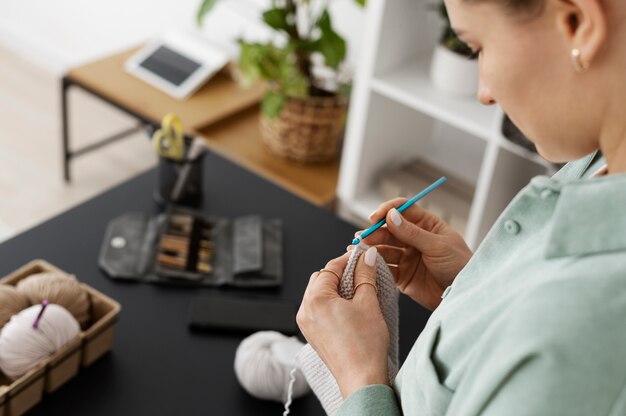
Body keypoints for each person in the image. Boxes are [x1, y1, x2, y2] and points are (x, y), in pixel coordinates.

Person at [296, 0, 626, 414]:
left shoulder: (587, 329)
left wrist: (359, 377)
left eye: (477, 48)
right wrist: (473, 289)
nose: (484, 93)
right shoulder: (599, 162)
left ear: (577, 23)